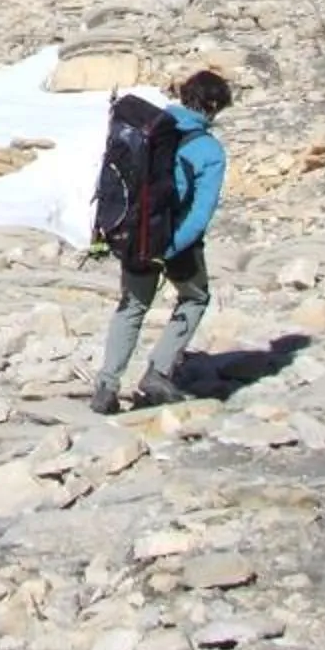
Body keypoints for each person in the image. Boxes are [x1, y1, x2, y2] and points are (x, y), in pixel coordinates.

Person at [89, 69, 234, 414]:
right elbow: (200, 213)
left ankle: (106, 387)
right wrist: (169, 248)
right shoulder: (209, 150)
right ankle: (158, 372)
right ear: (212, 106)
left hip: (135, 232)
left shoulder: (146, 128)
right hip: (174, 241)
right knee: (195, 297)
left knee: (131, 307)